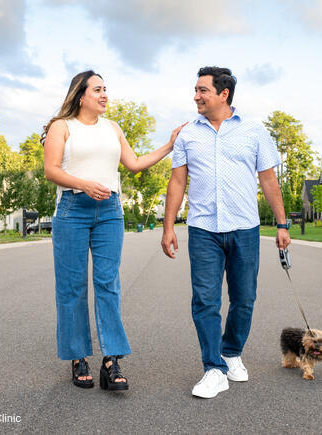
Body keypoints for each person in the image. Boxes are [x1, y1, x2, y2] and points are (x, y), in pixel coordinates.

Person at [43, 70, 184, 391]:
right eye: (97, 90)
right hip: (72, 210)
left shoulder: (113, 128)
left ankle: (111, 360)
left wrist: (169, 145)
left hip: (109, 211)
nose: (105, 95)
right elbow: (50, 170)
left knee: (108, 284)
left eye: (106, 89)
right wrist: (84, 184)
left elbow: (133, 163)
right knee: (72, 287)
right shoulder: (61, 127)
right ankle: (78, 358)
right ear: (81, 95)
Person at [161, 66, 291, 399]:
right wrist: (168, 226)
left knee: (244, 298)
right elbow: (177, 182)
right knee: (205, 300)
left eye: (202, 90)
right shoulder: (188, 133)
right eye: (195, 89)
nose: (196, 96)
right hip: (203, 229)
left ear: (224, 94)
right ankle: (213, 369)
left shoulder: (254, 131)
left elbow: (269, 180)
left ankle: (231, 352)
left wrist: (281, 224)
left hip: (245, 228)